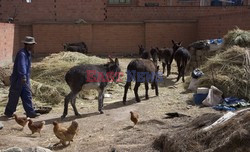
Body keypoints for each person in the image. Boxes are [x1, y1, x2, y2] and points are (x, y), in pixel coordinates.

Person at [4, 36, 40, 118]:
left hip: (25, 79)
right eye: (32, 45)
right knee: (14, 97)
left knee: (27, 95)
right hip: (18, 79)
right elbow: (22, 65)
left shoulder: (28, 53)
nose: (33, 46)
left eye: (33, 44)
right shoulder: (22, 54)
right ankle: (9, 112)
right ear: (27, 45)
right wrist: (23, 76)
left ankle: (30, 113)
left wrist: (26, 78)